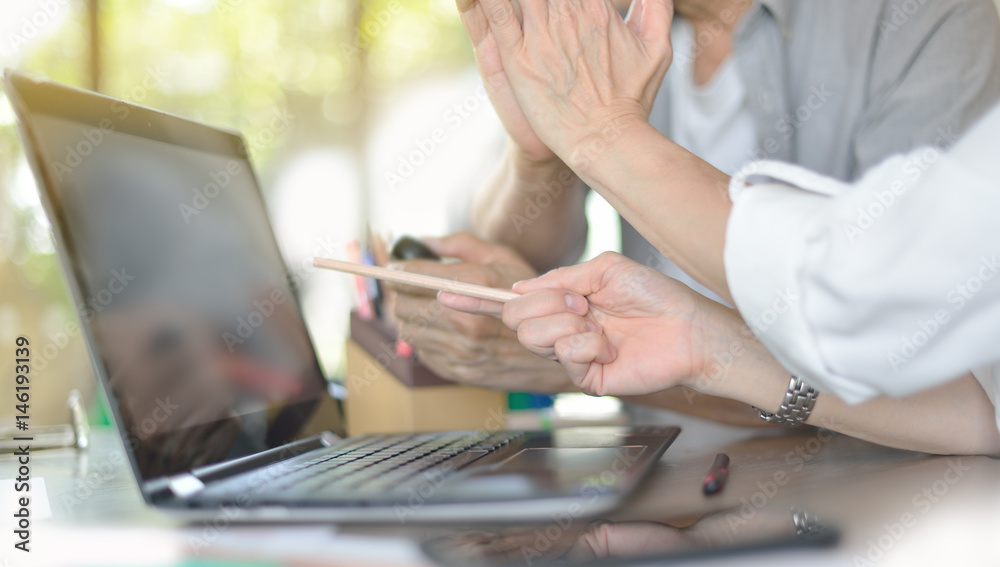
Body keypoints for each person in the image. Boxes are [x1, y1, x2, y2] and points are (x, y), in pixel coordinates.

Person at [386, 0, 1000, 425]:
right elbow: (515, 253)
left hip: (863, 491)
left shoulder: (921, 19)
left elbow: (927, 361)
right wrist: (541, 158)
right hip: (664, 472)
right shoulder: (600, 27)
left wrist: (601, 134)